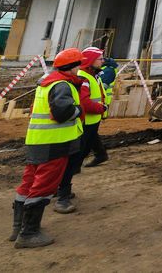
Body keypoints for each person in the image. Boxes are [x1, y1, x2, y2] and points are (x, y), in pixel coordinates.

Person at [10, 48, 84, 248]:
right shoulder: (61, 85)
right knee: (44, 186)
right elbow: (62, 112)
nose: (80, 69)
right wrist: (79, 109)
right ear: (72, 67)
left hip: (37, 140)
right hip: (54, 143)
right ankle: (29, 233)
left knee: (28, 183)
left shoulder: (46, 83)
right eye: (79, 65)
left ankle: (18, 227)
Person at [53, 48, 106, 213]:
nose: (103, 61)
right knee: (73, 160)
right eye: (100, 58)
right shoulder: (84, 78)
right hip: (84, 125)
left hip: (91, 124)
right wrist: (101, 108)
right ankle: (62, 196)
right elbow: (85, 102)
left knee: (76, 158)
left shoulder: (92, 76)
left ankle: (61, 189)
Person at [86, 54, 118, 167]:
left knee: (88, 133)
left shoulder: (108, 71)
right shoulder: (101, 71)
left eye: (101, 59)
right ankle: (100, 154)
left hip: (98, 105)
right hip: (96, 105)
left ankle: (78, 161)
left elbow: (101, 87)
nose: (101, 61)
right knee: (91, 133)